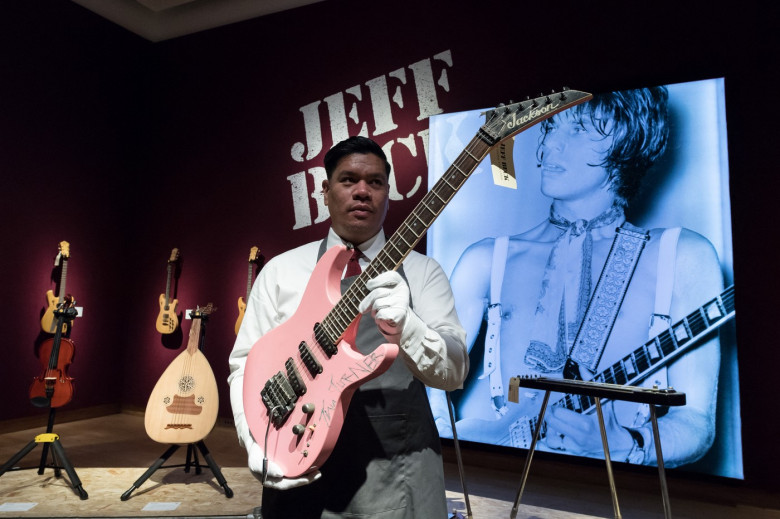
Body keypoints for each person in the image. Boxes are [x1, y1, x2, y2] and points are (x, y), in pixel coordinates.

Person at [430, 86, 723, 468]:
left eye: (580, 128)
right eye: (551, 126)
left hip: (617, 494)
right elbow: (427, 372)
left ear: (628, 140)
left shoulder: (683, 255)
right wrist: (444, 437)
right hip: (494, 483)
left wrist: (630, 445)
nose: (550, 145)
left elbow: (696, 421)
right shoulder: (486, 259)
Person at [228, 136, 469, 518]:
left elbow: (455, 373)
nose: (362, 191)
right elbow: (244, 365)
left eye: (374, 182)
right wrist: (255, 439)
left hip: (398, 470)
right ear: (325, 191)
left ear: (388, 193)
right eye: (348, 180)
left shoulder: (425, 274)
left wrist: (409, 327)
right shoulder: (281, 271)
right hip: (298, 460)